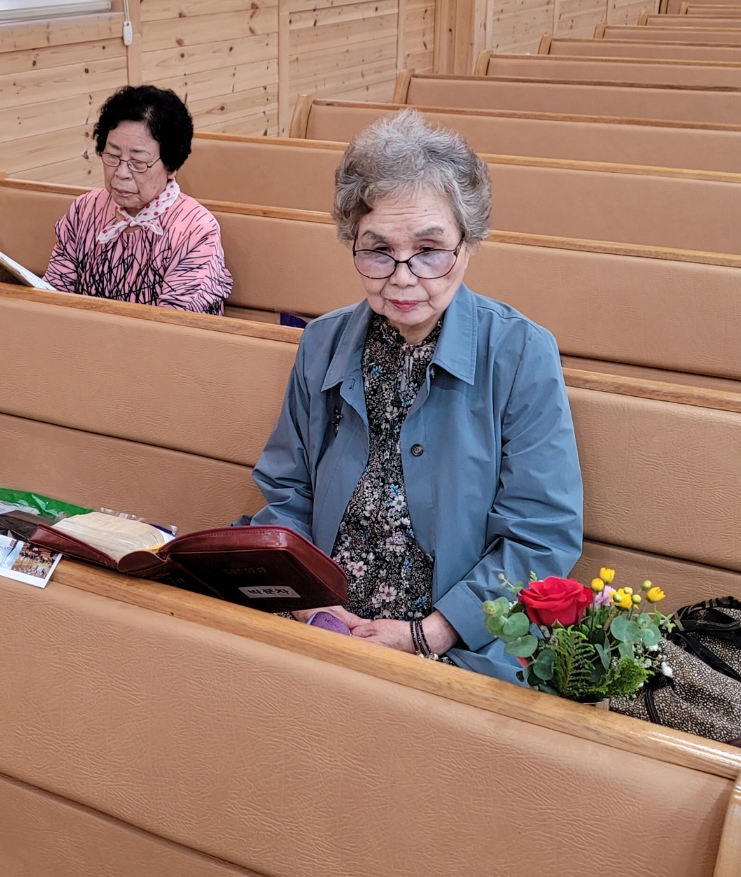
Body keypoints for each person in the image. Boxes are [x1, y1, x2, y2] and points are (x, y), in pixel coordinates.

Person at [249, 109, 584, 683]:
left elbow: (541, 532)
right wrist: (309, 603)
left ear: (468, 244)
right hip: (321, 619)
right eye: (378, 251)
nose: (403, 277)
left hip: (457, 642)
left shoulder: (520, 352)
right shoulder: (323, 342)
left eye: (430, 250)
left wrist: (429, 634)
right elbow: (286, 491)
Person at [43, 85, 233, 315]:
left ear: (171, 165)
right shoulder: (85, 210)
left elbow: (175, 325)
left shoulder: (196, 230)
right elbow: (53, 297)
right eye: (113, 156)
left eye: (138, 163)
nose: (121, 172)